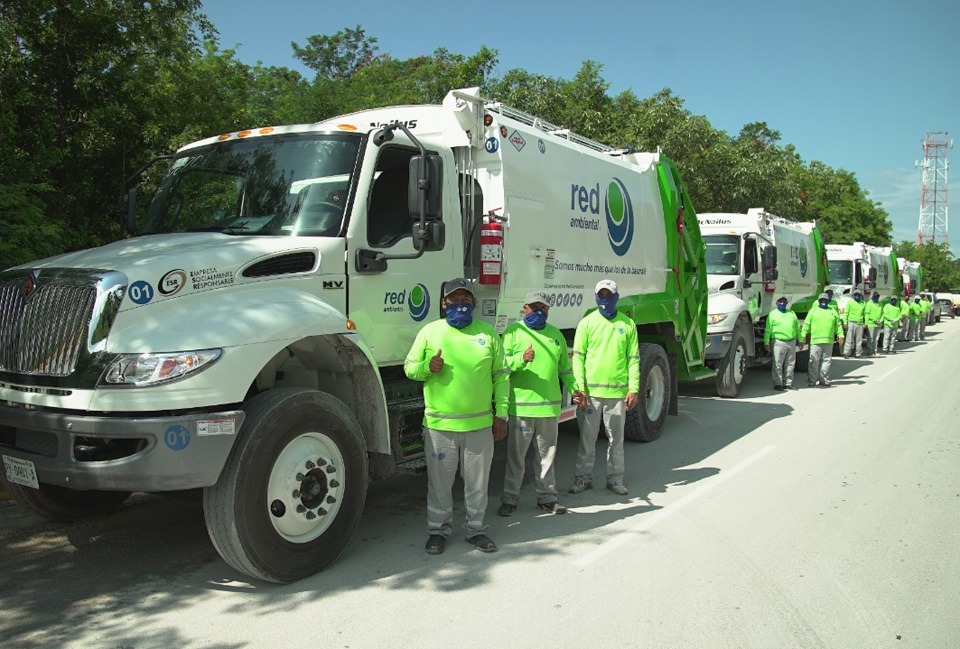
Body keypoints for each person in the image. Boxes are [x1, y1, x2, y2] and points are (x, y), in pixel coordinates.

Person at [404, 277, 508, 555]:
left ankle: (475, 530)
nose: (460, 305)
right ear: (444, 303)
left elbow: (501, 377)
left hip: (479, 426)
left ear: (474, 302)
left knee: (477, 484)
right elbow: (410, 368)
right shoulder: (430, 332)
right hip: (440, 427)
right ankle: (438, 531)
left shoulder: (488, 334)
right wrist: (428, 366)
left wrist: (502, 414)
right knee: (440, 485)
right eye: (454, 300)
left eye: (465, 300)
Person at [498, 290, 575, 517]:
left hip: (549, 408)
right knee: (516, 458)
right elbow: (502, 367)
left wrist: (575, 389)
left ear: (548, 311)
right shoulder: (513, 332)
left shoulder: (555, 335)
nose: (538, 312)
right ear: (525, 309)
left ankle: (547, 498)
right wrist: (522, 359)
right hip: (521, 407)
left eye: (543, 308)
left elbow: (565, 371)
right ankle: (510, 499)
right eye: (534, 307)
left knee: (547, 456)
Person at [569, 279, 639, 496]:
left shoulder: (627, 325)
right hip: (591, 395)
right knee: (586, 440)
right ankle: (583, 478)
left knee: (616, 440)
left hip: (617, 394)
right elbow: (578, 359)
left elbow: (633, 359)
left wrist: (633, 388)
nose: (605, 299)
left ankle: (615, 479)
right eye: (601, 295)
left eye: (609, 295)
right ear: (596, 296)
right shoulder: (587, 323)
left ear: (617, 297)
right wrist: (579, 388)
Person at [800, 292, 844, 387]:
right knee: (814, 361)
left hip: (829, 341)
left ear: (828, 301)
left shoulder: (832, 310)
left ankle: (824, 380)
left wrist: (841, 335)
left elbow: (838, 325)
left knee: (826, 361)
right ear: (819, 301)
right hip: (816, 341)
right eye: (822, 300)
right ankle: (812, 380)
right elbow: (806, 324)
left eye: (825, 300)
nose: (824, 302)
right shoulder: (813, 311)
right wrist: (803, 336)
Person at [763, 295, 800, 390]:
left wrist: (800, 339)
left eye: (784, 302)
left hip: (791, 341)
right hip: (779, 341)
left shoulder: (791, 313)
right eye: (780, 301)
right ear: (776, 303)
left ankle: (788, 383)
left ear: (787, 303)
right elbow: (768, 330)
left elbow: (797, 328)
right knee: (777, 363)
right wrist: (766, 343)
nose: (782, 303)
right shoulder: (772, 314)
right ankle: (777, 383)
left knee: (790, 363)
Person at [842, 290, 866, 358]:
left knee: (859, 340)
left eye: (858, 295)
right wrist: (845, 323)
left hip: (860, 323)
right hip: (851, 322)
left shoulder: (863, 303)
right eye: (855, 295)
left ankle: (858, 353)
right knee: (849, 339)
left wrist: (865, 323)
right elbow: (846, 313)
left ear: (861, 296)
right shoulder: (850, 302)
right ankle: (846, 353)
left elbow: (865, 314)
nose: (857, 296)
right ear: (853, 296)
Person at [864, 291, 884, 356]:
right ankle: (869, 351)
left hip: (878, 324)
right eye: (875, 297)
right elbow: (867, 314)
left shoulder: (880, 303)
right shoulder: (869, 304)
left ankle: (874, 351)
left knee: (876, 338)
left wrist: (881, 320)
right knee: (871, 338)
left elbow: (883, 313)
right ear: (872, 297)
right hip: (871, 323)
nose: (876, 298)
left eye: (877, 297)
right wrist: (867, 323)